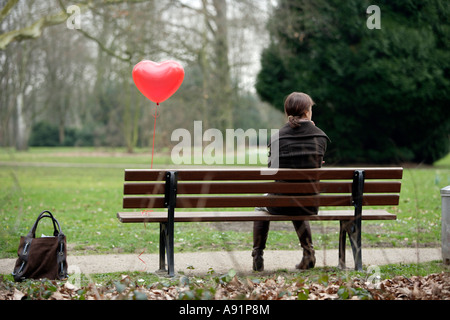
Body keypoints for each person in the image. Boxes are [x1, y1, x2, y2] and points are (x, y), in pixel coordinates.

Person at [252, 92, 330, 271]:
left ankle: (258, 254)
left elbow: (271, 173)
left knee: (261, 204)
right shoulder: (321, 137)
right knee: (298, 200)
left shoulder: (277, 137)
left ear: (288, 112)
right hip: (309, 203)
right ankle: (308, 252)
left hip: (280, 203)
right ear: (307, 112)